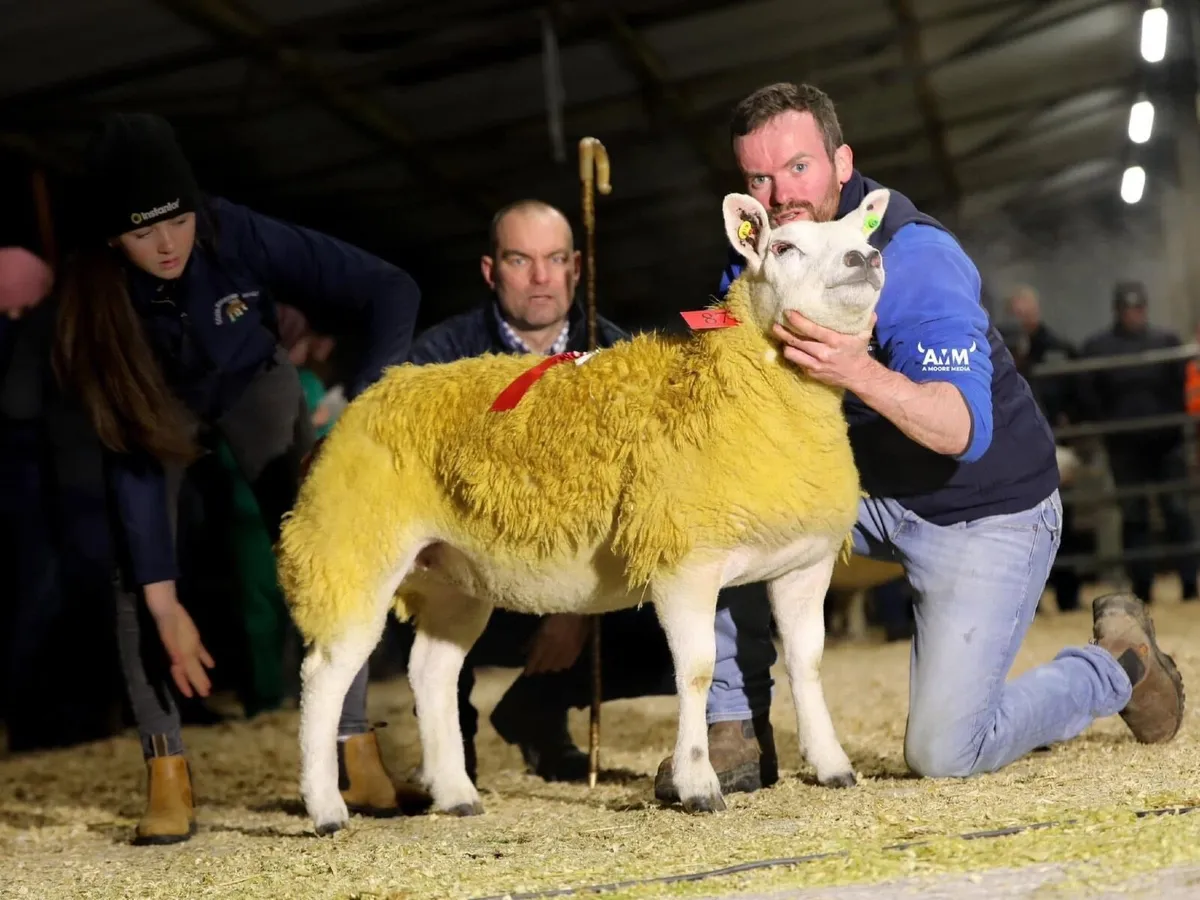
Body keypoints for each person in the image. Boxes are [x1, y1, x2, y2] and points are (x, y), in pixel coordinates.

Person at [655, 82, 1184, 803]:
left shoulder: (914, 257)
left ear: (843, 163)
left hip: (981, 507)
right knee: (715, 511)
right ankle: (734, 724)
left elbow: (960, 428)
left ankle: (1114, 667)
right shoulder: (765, 256)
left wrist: (855, 370)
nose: (781, 195)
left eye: (799, 167)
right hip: (861, 493)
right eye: (760, 179)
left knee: (944, 751)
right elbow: (713, 346)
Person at [51, 112, 424, 844]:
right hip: (150, 408)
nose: (168, 245)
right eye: (142, 232)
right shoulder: (96, 304)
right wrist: (164, 604)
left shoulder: (234, 231)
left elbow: (392, 288)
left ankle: (355, 753)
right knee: (137, 579)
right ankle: (166, 771)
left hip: (252, 380)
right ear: (112, 238)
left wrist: (359, 419)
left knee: (326, 547)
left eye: (178, 220)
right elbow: (131, 467)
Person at [399, 198, 675, 782]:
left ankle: (538, 712)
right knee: (416, 593)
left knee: (680, 613)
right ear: (490, 270)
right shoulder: (441, 358)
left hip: (580, 581)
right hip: (472, 566)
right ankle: (452, 751)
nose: (541, 277)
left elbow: (643, 490)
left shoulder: (618, 356)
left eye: (555, 259)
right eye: (520, 260)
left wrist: (575, 610)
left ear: (577, 266)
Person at [1078, 283, 1197, 604]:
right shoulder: (1099, 347)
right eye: (1127, 309)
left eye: (1137, 308)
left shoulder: (1166, 341)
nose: (1133, 314)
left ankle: (1190, 583)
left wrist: (1173, 422)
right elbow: (1088, 392)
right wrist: (1108, 424)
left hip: (1166, 440)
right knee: (1134, 515)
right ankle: (1142, 586)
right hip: (1125, 444)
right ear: (1117, 311)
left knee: (1177, 510)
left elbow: (1180, 386)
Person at [1006, 285, 1088, 612]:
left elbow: (1080, 398)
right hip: (1016, 453)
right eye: (1018, 313)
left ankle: (1068, 594)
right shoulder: (999, 354)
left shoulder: (1059, 349)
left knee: (1063, 522)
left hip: (1054, 447)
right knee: (1022, 528)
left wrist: (1074, 432)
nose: (1024, 318)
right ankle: (1031, 601)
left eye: (1028, 311)